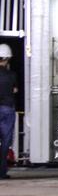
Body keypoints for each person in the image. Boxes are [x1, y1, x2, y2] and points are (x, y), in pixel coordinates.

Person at [0, 43, 18, 179]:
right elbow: (14, 90)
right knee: (5, 142)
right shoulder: (11, 75)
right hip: (7, 109)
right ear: (7, 59)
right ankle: (2, 172)